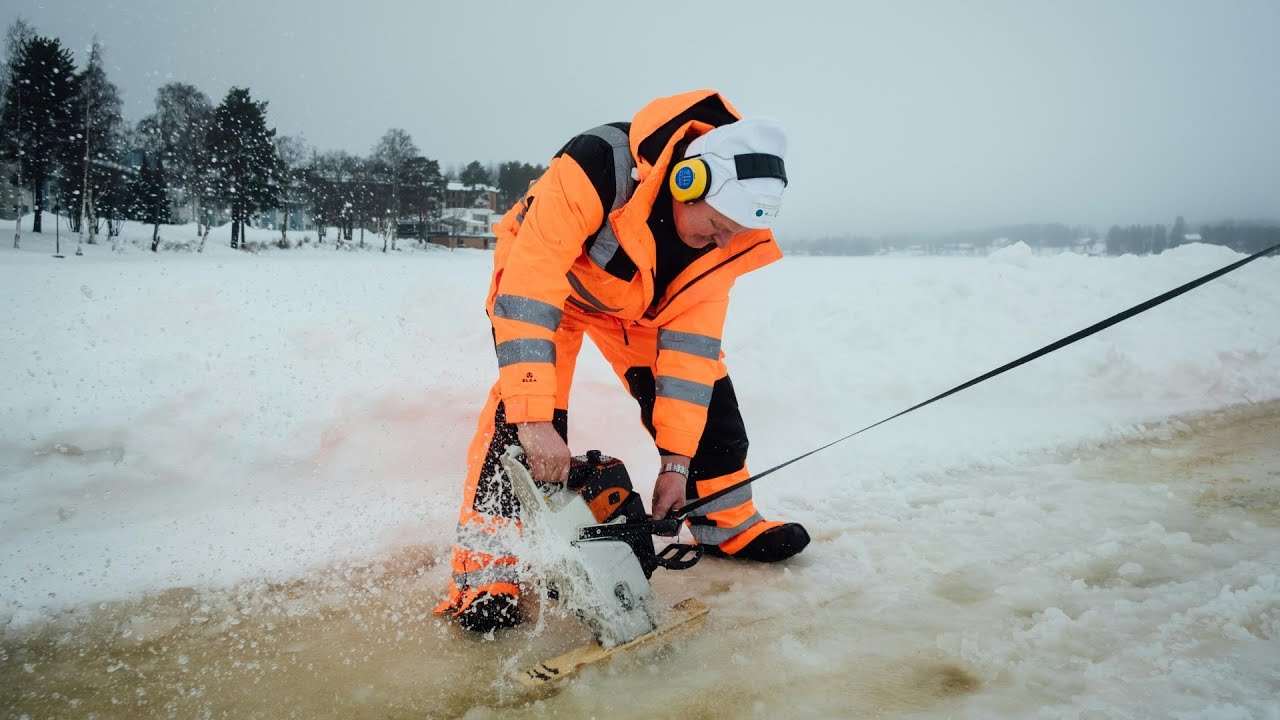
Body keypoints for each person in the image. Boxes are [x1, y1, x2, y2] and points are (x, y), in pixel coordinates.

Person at [436, 90, 810, 632]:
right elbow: (530, 285)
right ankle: (487, 574)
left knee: (711, 405)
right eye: (717, 224)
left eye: (733, 234)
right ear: (690, 180)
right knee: (519, 432)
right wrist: (535, 419)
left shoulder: (721, 248)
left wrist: (676, 464)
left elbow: (690, 355)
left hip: (634, 303)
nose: (720, 242)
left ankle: (726, 521)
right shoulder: (596, 164)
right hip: (551, 290)